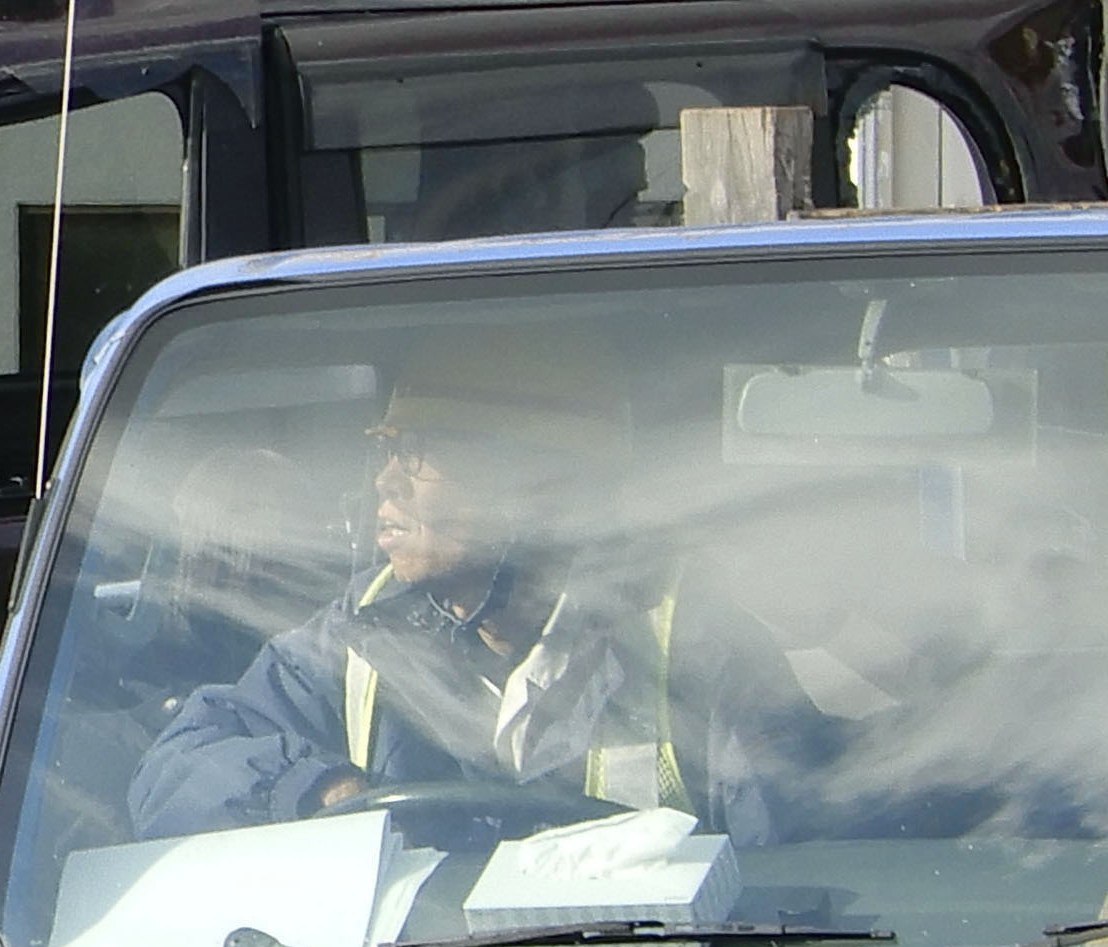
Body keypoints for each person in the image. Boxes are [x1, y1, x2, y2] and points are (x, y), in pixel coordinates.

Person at [128, 335, 820, 843]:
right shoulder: (358, 635)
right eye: (386, 451)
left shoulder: (694, 648)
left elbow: (796, 870)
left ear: (535, 490)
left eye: (418, 452)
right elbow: (176, 769)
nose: (385, 482)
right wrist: (320, 790)